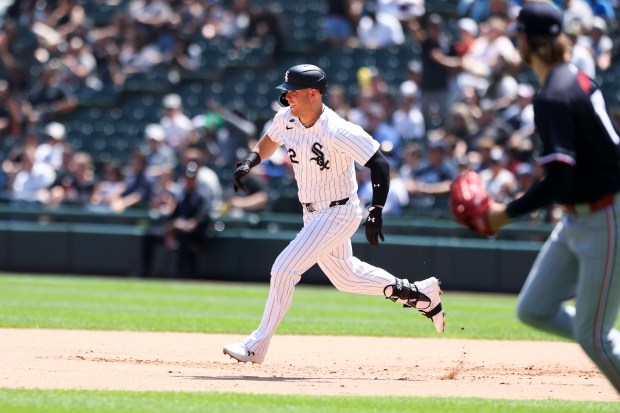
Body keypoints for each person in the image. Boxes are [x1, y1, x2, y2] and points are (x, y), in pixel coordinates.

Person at [223, 64, 445, 364]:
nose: (287, 97)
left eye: (293, 92)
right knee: (347, 277)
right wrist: (250, 162)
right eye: (286, 92)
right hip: (312, 213)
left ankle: (256, 345)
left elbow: (379, 163)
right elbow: (270, 139)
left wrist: (376, 209)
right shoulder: (286, 118)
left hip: (339, 211)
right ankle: (420, 293)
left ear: (313, 94)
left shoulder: (338, 129)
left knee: (284, 268)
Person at [486, 2, 620, 392]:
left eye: (518, 36)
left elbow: (560, 178)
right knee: (535, 309)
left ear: (528, 40)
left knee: (594, 337)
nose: (516, 43)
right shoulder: (573, 77)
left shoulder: (553, 95)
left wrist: (504, 213)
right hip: (581, 215)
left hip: (606, 213)